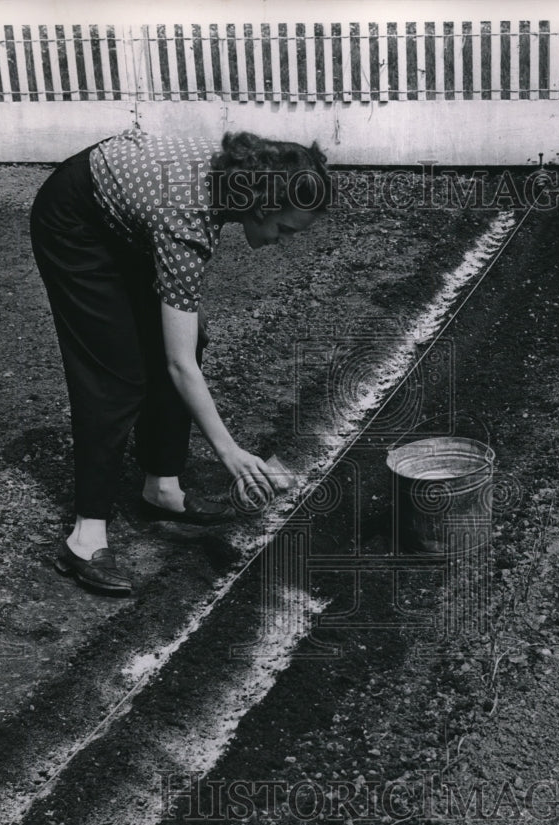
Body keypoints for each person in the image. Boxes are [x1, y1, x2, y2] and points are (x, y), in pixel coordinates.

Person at [30, 127, 333, 596]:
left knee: (189, 339)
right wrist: (230, 452)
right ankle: (84, 537)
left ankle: (162, 488)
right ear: (261, 205)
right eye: (285, 229)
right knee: (115, 375)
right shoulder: (187, 221)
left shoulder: (236, 178)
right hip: (74, 221)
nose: (281, 242)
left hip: (128, 209)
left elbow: (182, 346)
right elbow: (178, 367)